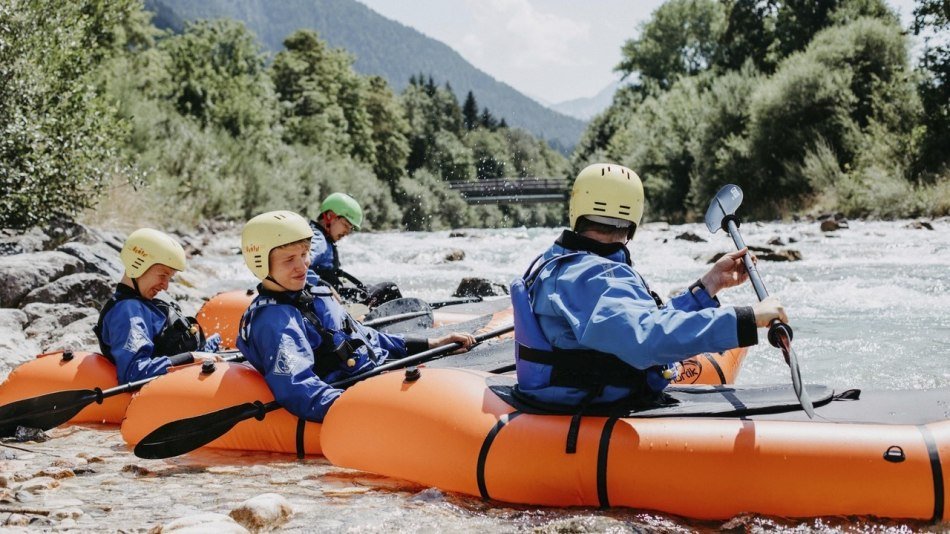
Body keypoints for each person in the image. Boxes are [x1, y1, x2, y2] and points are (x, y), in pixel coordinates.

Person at [512, 163, 787, 409]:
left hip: (575, 394)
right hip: (590, 404)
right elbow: (646, 340)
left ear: (577, 210)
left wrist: (709, 285)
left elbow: (640, 323)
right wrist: (748, 319)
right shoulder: (596, 277)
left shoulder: (565, 263)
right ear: (634, 218)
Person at [237, 210, 475, 422]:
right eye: (290, 259)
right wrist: (364, 411)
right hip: (354, 393)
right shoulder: (274, 322)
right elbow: (299, 389)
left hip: (375, 374)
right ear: (261, 264)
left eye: (305, 253)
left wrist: (428, 344)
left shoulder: (312, 293)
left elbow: (362, 337)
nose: (303, 266)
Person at [94, 229, 221, 384]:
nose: (166, 286)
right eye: (162, 275)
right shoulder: (127, 311)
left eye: (169, 278)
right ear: (138, 265)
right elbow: (135, 372)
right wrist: (191, 357)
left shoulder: (139, 303)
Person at [309, 192, 401, 307]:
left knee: (370, 291)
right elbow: (298, 266)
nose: (347, 232)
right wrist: (324, 286)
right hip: (328, 301)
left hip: (332, 298)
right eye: (345, 225)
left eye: (351, 228)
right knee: (389, 289)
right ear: (329, 216)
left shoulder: (319, 237)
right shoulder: (318, 240)